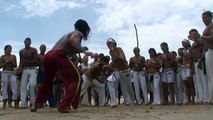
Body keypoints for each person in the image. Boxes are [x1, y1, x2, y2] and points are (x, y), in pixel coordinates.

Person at [31, 19, 92, 113]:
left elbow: (68, 49)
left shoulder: (67, 34)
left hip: (49, 55)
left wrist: (78, 52)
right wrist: (85, 51)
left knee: (47, 81)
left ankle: (36, 104)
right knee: (77, 78)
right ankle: (64, 106)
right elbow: (73, 41)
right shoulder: (78, 33)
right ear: (85, 29)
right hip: (58, 55)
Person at [106, 38, 135, 105]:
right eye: (107, 44)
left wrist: (114, 53)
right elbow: (115, 61)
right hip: (117, 71)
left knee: (127, 87)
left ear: (114, 44)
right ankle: (114, 102)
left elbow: (121, 58)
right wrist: (110, 65)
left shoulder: (119, 49)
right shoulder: (110, 52)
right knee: (111, 83)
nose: (108, 45)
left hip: (125, 71)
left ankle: (130, 101)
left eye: (110, 43)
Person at [188, 29, 209, 104]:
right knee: (198, 82)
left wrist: (200, 60)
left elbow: (204, 49)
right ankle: (201, 98)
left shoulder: (201, 39)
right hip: (195, 63)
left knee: (204, 80)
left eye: (192, 34)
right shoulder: (194, 43)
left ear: (196, 33)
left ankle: (207, 98)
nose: (191, 36)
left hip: (201, 61)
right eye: (190, 35)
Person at [19, 38, 39, 109]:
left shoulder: (34, 50)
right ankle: (23, 104)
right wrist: (19, 69)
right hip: (24, 69)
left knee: (32, 85)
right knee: (23, 86)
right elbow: (21, 62)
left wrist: (26, 61)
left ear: (30, 42)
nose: (27, 42)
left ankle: (32, 103)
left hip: (33, 69)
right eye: (26, 41)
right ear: (24, 42)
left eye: (28, 41)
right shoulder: (21, 51)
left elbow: (36, 62)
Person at [200, 11, 213, 104]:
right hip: (208, 52)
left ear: (210, 17)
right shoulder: (207, 28)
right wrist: (197, 39)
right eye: (203, 18)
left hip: (211, 51)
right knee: (210, 77)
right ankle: (211, 98)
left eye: (205, 17)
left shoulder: (211, 25)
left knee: (212, 76)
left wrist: (201, 37)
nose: (204, 20)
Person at [0, 45, 18, 109]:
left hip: (12, 73)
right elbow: (0, 66)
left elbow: (15, 66)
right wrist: (6, 63)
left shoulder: (13, 56)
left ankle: (15, 104)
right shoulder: (2, 57)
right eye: (8, 48)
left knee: (15, 87)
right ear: (5, 50)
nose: (9, 50)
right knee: (4, 88)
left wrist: (12, 62)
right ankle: (4, 105)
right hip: (5, 72)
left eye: (10, 48)